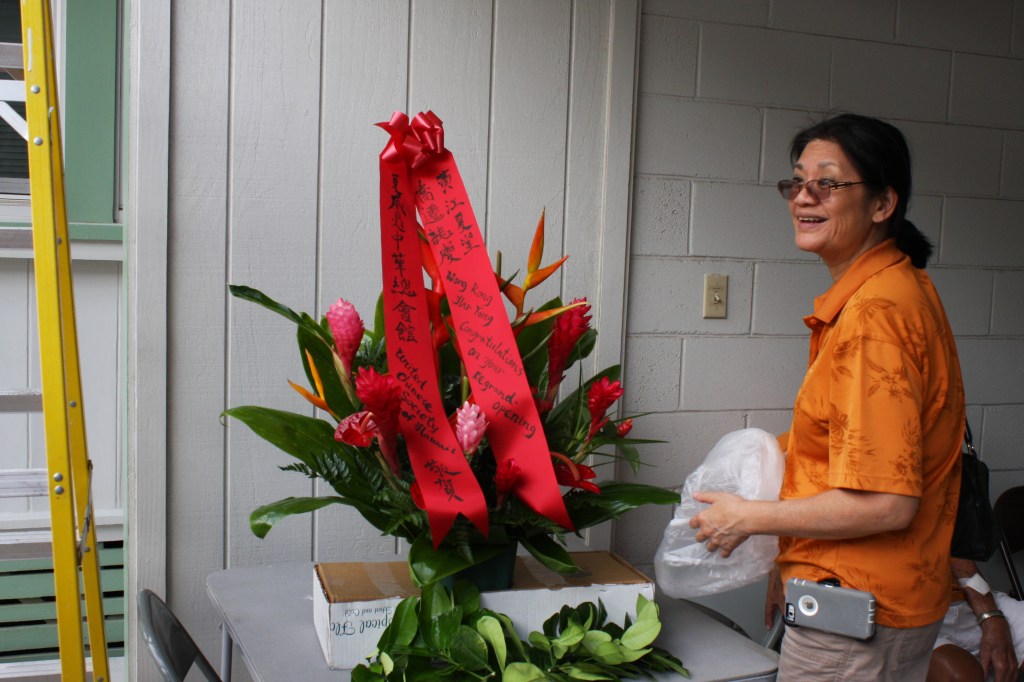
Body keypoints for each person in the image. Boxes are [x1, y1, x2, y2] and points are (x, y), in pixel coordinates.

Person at [688, 113, 966, 681]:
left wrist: (750, 518)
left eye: (828, 183)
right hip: (864, 595)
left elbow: (886, 502)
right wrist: (792, 560)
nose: (803, 197)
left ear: (882, 204)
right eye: (797, 182)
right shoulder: (891, 288)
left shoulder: (875, 315)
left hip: (856, 608)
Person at [928, 558, 1023, 682]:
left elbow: (960, 561)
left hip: (969, 600)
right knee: (961, 675)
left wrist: (992, 619)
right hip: (913, 626)